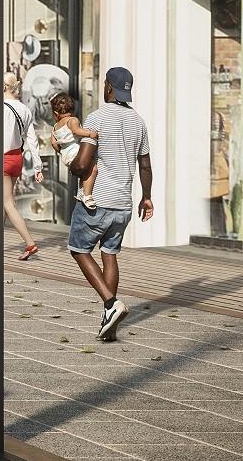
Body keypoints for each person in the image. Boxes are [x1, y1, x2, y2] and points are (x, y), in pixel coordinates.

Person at [67, 66, 153, 342]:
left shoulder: (97, 118)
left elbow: (82, 164)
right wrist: (146, 197)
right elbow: (145, 165)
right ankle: (109, 319)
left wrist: (74, 167)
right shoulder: (138, 121)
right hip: (123, 203)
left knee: (79, 249)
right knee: (109, 253)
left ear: (108, 87)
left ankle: (111, 303)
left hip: (97, 200)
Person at [1, 72, 42, 261]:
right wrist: (38, 166)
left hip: (1, 158)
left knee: (8, 203)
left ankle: (30, 243)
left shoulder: (0, 109)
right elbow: (32, 140)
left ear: (3, 87)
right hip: (17, 158)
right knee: (4, 203)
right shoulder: (24, 109)